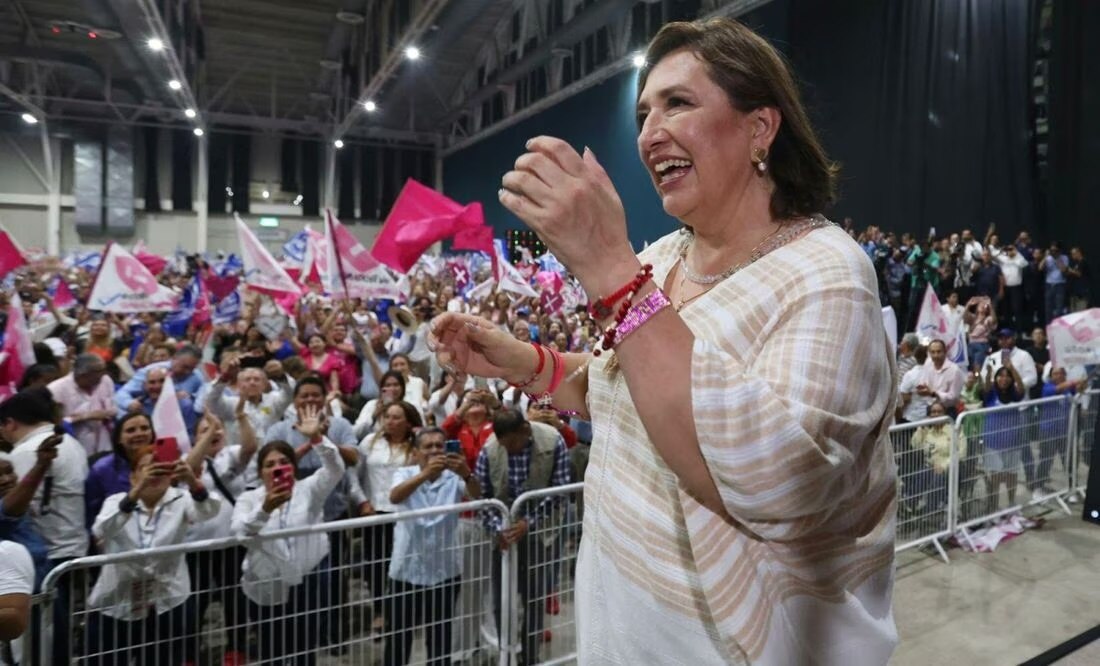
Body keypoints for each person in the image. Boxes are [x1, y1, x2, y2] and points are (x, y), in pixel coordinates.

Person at [432, 17, 898, 664]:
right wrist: (527, 363)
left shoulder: (826, 272)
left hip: (732, 645)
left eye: (678, 103)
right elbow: (627, 389)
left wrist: (610, 269)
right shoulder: (663, 258)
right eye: (644, 113)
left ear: (760, 127)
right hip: (620, 624)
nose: (650, 133)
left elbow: (778, 486)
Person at [84, 451, 220, 666]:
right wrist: (136, 493)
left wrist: (192, 481)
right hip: (117, 601)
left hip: (168, 600)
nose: (155, 473)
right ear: (132, 477)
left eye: (161, 467)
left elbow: (208, 510)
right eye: (147, 467)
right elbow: (101, 530)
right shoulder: (116, 501)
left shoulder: (181, 498)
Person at [232, 406, 344, 666]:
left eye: (284, 462)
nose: (277, 468)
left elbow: (335, 469)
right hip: (266, 583)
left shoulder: (309, 490)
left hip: (307, 581)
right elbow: (240, 533)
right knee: (271, 649)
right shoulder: (249, 499)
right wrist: (265, 510)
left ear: (293, 467)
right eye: (270, 464)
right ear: (260, 472)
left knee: (305, 649)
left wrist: (316, 438)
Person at [472, 410, 571, 666]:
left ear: (525, 430)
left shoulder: (552, 440)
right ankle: (506, 653)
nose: (509, 450)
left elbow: (559, 490)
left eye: (513, 443)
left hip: (540, 532)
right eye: (504, 445)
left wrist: (529, 523)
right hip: (503, 534)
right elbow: (483, 496)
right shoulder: (490, 449)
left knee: (534, 598)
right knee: (501, 599)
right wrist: (498, 529)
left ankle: (530, 656)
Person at [385, 427, 481, 666]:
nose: (435, 450)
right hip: (406, 570)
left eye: (439, 445)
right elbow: (395, 496)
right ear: (416, 452)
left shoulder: (454, 477)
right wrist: (425, 474)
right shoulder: (404, 473)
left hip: (444, 571)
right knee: (398, 637)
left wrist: (467, 473)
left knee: (440, 638)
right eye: (428, 446)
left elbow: (478, 497)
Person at [351, 401, 423, 639]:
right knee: (376, 565)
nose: (389, 422)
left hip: (403, 513)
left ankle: (403, 611)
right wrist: (362, 501)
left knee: (403, 563)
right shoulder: (369, 442)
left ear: (408, 422)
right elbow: (354, 475)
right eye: (387, 417)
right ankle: (380, 611)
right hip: (374, 511)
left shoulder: (416, 447)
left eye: (396, 417)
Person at [84, 413, 153, 529]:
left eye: (144, 428)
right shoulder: (101, 469)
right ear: (118, 438)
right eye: (131, 430)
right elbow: (91, 513)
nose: (139, 433)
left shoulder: (163, 461)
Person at [47, 353, 116, 458]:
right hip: (75, 447)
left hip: (105, 444)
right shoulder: (56, 389)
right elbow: (50, 424)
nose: (104, 374)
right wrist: (85, 416)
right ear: (83, 374)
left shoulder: (105, 381)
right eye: (99, 371)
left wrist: (110, 412)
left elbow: (113, 406)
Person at [981, 365, 1026, 511]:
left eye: (1007, 376)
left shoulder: (1014, 394)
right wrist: (988, 374)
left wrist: (1013, 369)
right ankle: (993, 506)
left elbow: (1021, 389)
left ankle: (1011, 503)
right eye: (1000, 375)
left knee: (1012, 474)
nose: (1004, 379)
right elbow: (986, 388)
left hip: (1013, 441)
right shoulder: (991, 393)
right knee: (995, 476)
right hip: (993, 443)